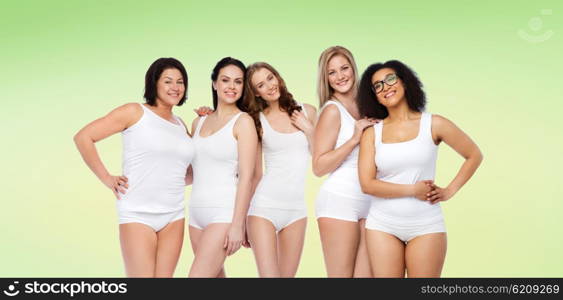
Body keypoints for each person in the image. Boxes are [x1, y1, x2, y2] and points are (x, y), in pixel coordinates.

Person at [357, 60, 483, 277]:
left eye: (390, 79)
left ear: (405, 82)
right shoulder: (372, 134)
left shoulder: (434, 124)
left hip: (426, 225)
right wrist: (413, 190)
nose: (385, 87)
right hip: (382, 226)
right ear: (375, 96)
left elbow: (474, 155)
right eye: (378, 86)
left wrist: (449, 191)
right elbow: (367, 185)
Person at [74, 57, 193, 277]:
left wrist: (208, 123)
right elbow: (84, 137)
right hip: (138, 213)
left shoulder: (180, 125)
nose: (175, 87)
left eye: (180, 82)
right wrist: (107, 178)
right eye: (168, 81)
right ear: (154, 83)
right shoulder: (134, 112)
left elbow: (187, 174)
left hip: (174, 214)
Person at [242, 62, 317, 277]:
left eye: (270, 78)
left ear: (278, 77)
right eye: (261, 85)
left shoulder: (308, 111)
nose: (269, 86)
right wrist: (243, 220)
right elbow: (255, 174)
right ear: (256, 92)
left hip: (296, 211)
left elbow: (320, 158)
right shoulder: (257, 121)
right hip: (263, 208)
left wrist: (309, 129)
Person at [187, 57, 258, 277]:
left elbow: (248, 176)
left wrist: (238, 224)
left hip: (224, 213)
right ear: (214, 83)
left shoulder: (243, 122)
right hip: (196, 214)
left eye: (238, 82)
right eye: (225, 80)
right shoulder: (199, 122)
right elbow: (190, 172)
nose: (231, 86)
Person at [312, 46, 377, 277]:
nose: (340, 76)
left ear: (353, 68)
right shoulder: (332, 110)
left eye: (344, 68)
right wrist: (353, 139)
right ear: (326, 78)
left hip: (371, 201)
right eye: (332, 72)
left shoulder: (369, 106)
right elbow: (318, 166)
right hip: (340, 200)